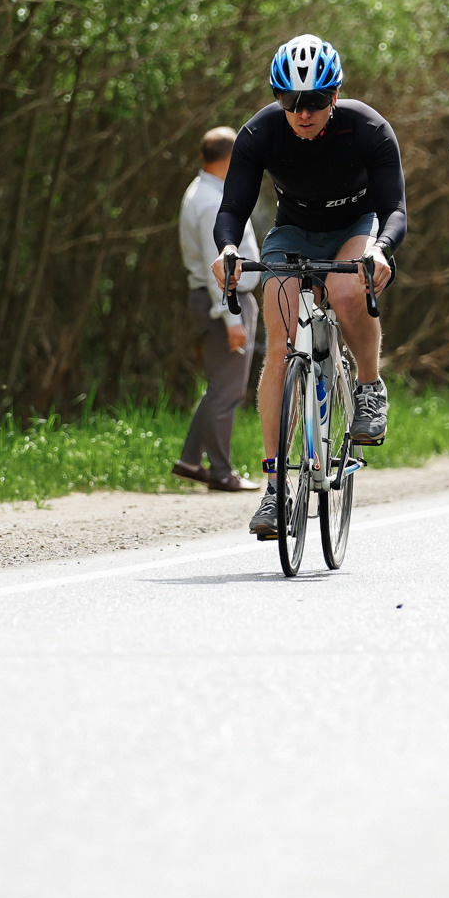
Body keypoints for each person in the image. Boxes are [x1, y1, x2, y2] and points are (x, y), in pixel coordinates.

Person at [212, 34, 404, 540]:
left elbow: (395, 208)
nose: (303, 113)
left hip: (355, 228)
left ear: (334, 95)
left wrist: (381, 249)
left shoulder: (368, 128)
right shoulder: (260, 132)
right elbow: (232, 209)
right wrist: (228, 249)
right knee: (278, 346)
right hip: (293, 232)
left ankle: (369, 387)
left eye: (315, 101)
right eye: (290, 100)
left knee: (345, 290)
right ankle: (276, 488)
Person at [173, 127, 262, 491]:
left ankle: (190, 461)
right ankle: (222, 473)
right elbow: (219, 269)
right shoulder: (212, 202)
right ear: (230, 158)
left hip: (217, 298)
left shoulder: (201, 190)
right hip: (227, 299)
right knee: (228, 393)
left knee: (219, 388)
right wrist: (232, 317)